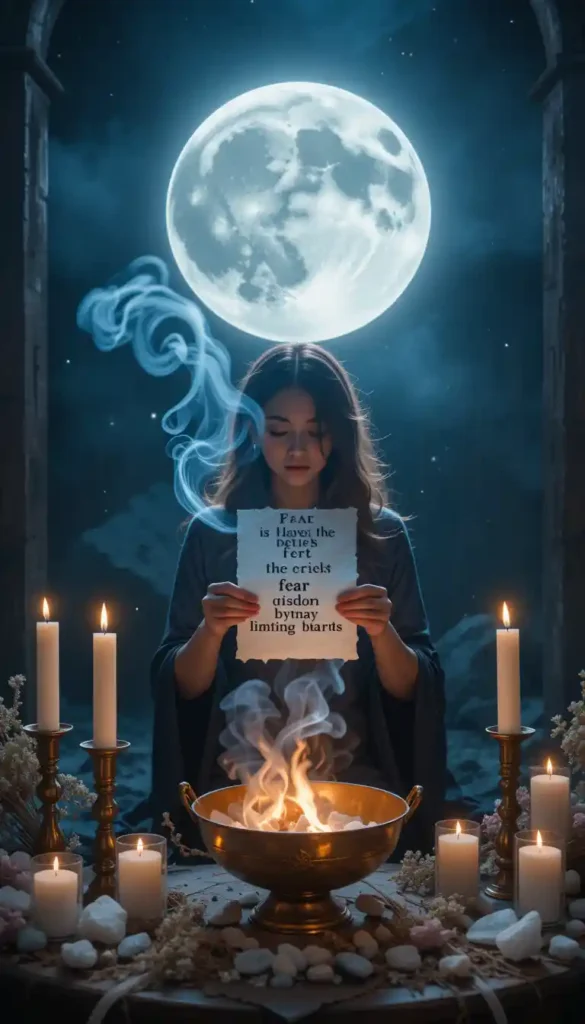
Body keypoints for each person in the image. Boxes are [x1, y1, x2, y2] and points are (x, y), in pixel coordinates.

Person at [150, 343, 446, 856]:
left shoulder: (382, 535)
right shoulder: (212, 534)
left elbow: (415, 689)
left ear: (343, 433)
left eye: (317, 430)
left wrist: (382, 632)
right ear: (250, 432)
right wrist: (211, 630)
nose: (298, 449)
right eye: (280, 430)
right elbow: (179, 687)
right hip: (238, 780)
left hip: (360, 783)